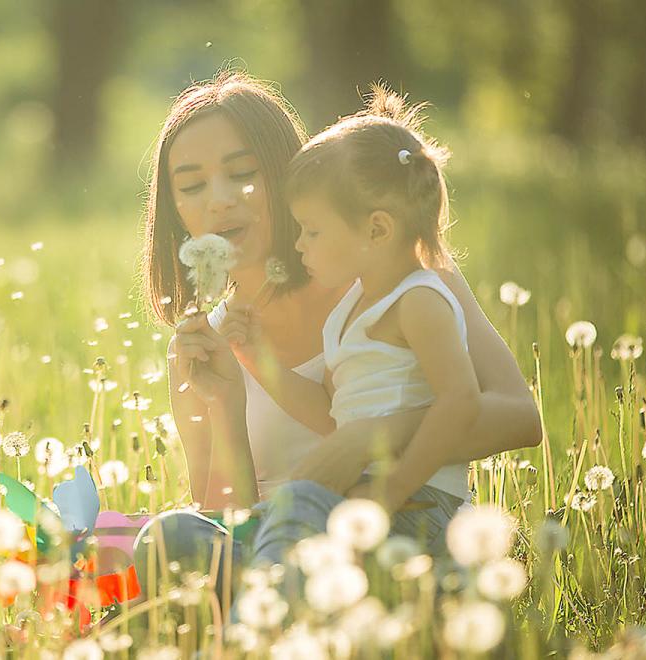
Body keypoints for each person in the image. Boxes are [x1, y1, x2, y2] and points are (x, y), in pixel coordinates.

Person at [133, 72, 541, 610]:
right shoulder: (203, 349)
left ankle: (277, 625)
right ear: (176, 212)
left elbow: (519, 417)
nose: (220, 200)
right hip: (276, 551)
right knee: (170, 540)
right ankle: (272, 616)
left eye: (242, 174)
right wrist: (226, 405)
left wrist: (373, 435)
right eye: (192, 186)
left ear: (290, 177)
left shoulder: (399, 280)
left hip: (387, 531)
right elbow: (226, 523)